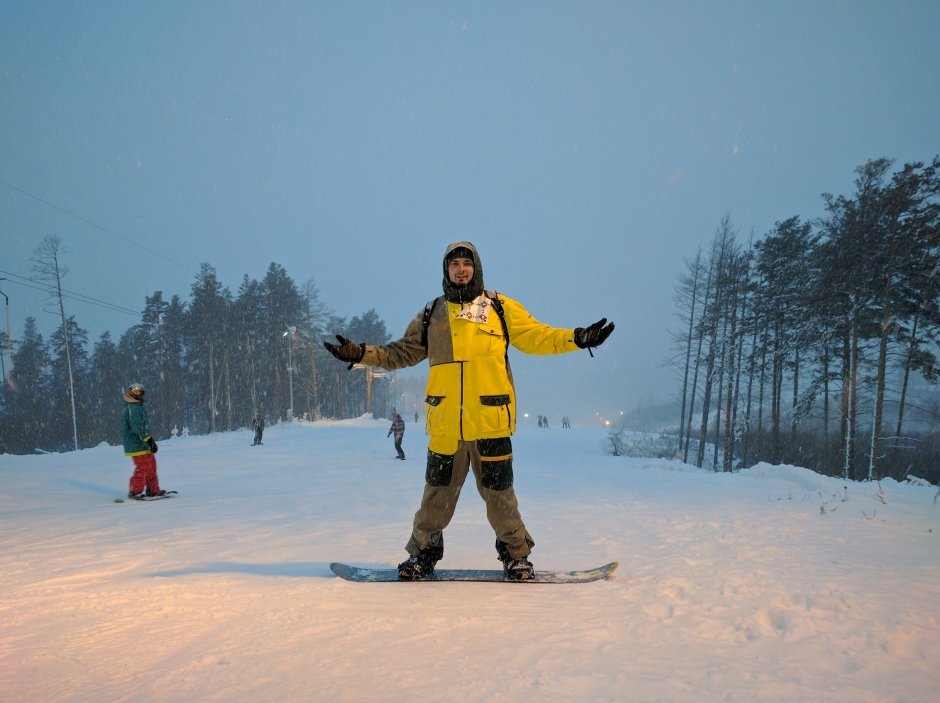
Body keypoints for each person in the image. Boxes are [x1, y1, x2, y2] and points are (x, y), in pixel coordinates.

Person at [324, 241, 614, 581]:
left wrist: (578, 338)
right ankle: (422, 555)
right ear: (446, 270)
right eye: (454, 264)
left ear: (476, 268)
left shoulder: (499, 307)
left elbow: (538, 336)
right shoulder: (432, 313)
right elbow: (400, 352)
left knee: (501, 498)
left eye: (467, 263)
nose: (461, 269)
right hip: (446, 425)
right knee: (435, 498)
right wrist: (361, 353)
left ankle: (516, 557)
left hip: (491, 422)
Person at [121, 383, 166, 499]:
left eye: (139, 391)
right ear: (130, 392)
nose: (137, 393)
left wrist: (148, 441)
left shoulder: (137, 407)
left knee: (151, 466)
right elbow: (137, 427)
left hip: (143, 444)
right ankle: (135, 491)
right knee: (144, 467)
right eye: (134, 391)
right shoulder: (132, 408)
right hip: (136, 444)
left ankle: (153, 490)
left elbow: (143, 427)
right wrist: (149, 439)